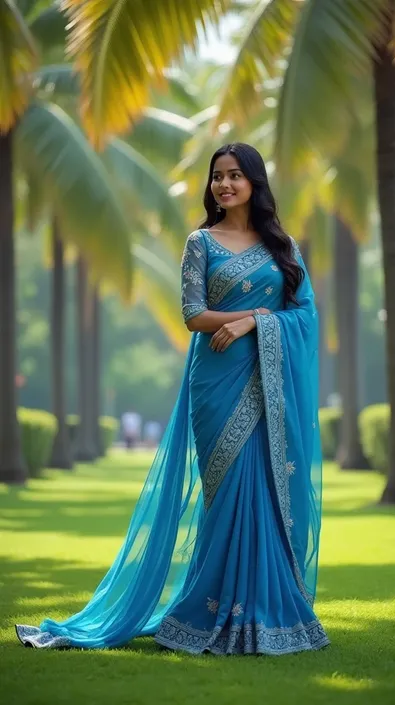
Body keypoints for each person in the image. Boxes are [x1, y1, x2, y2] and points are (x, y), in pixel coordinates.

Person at [15, 143, 330, 655]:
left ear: (254, 181)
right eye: (217, 177)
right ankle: (211, 613)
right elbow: (191, 314)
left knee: (266, 495)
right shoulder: (201, 241)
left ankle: (260, 613)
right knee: (227, 496)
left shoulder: (283, 248)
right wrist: (240, 318)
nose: (224, 185)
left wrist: (254, 320)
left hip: (265, 386)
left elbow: (306, 316)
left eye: (234, 176)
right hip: (217, 385)